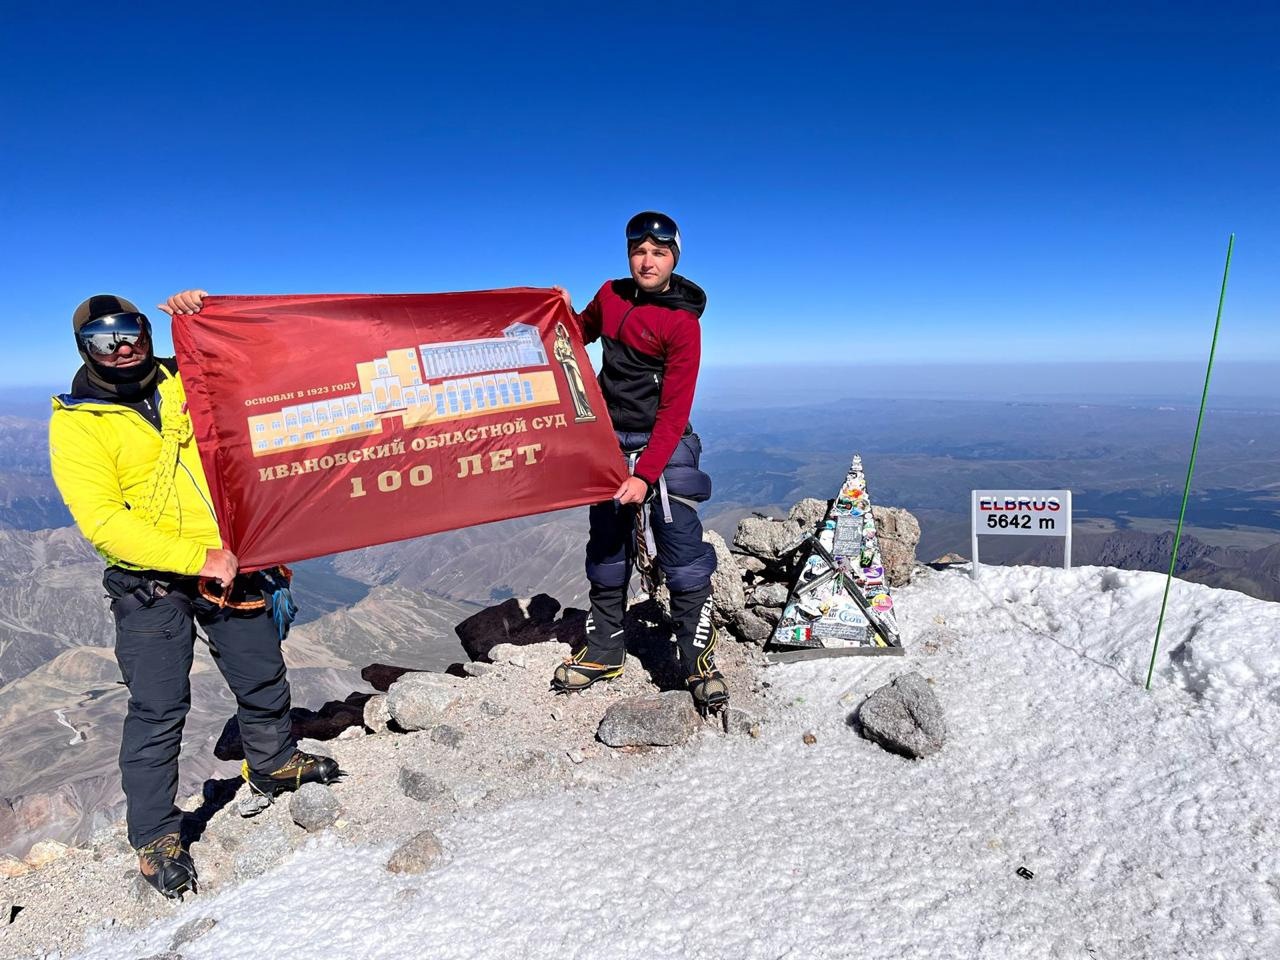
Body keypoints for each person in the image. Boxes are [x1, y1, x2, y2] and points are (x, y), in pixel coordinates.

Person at [48, 295, 338, 899]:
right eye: (104, 339)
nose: (122, 345)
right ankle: (156, 837)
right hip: (151, 581)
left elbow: (263, 366)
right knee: (158, 708)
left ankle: (273, 763)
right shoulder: (77, 422)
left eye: (131, 331)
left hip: (231, 561)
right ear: (85, 349)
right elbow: (103, 521)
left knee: (261, 673)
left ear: (147, 332)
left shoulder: (189, 377)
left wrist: (203, 312)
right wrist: (195, 557)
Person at [549, 211, 727, 710]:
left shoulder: (682, 323)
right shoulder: (611, 294)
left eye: (660, 253)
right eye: (640, 251)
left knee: (681, 548)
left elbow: (675, 411)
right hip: (607, 438)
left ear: (674, 258)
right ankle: (605, 649)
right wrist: (560, 310)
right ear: (629, 254)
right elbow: (578, 332)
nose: (648, 261)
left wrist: (646, 475)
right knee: (606, 547)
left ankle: (696, 661)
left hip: (661, 443)